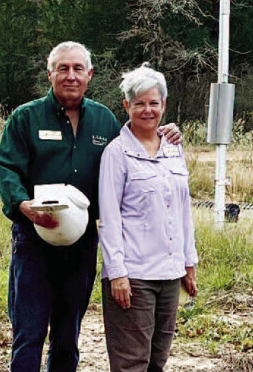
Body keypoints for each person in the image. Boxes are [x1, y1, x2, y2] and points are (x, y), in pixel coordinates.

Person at [0, 42, 181, 372]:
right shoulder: (25, 118)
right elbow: (8, 168)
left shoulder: (103, 121)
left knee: (68, 336)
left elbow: (133, 145)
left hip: (80, 246)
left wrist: (164, 130)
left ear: (90, 74)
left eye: (78, 69)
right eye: (63, 68)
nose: (70, 76)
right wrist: (22, 205)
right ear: (49, 73)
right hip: (33, 243)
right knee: (29, 334)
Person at [98, 64, 198, 372]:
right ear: (126, 106)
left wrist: (188, 263)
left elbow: (182, 210)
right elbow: (109, 217)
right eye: (139, 103)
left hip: (169, 273)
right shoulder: (117, 153)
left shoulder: (173, 149)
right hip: (134, 276)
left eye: (153, 103)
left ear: (164, 105)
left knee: (157, 361)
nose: (147, 110)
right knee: (132, 363)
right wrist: (117, 273)